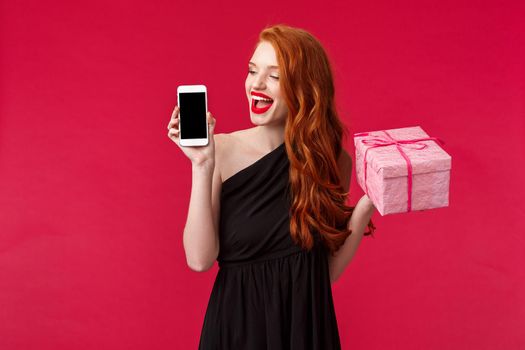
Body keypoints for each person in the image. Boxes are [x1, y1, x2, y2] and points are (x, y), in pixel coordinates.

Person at [167, 24, 376, 350]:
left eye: (274, 76)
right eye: (252, 71)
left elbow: (325, 273)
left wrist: (365, 207)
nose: (256, 85)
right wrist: (201, 165)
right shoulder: (220, 150)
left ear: (306, 88)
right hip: (237, 331)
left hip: (305, 330)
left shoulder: (332, 161)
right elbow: (199, 259)